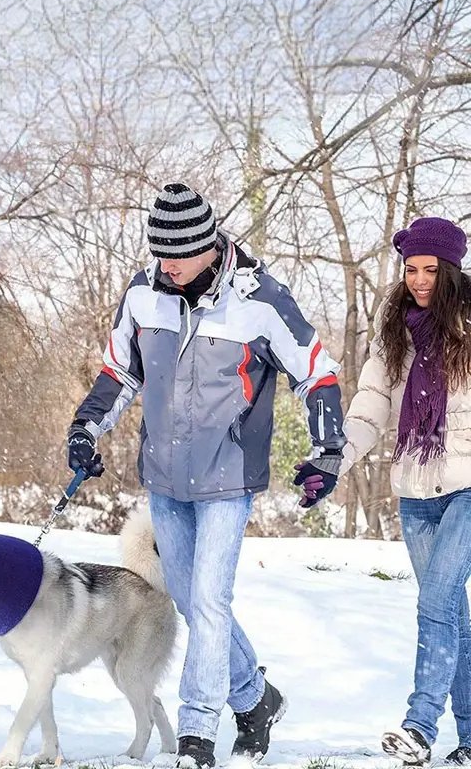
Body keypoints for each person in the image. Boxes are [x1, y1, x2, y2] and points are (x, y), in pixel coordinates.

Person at [66, 183, 346, 768]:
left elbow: (316, 372)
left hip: (228, 474)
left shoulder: (260, 300)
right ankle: (255, 698)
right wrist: (86, 430)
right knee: (194, 603)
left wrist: (327, 449)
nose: (167, 265)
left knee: (211, 602)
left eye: (179, 253)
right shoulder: (143, 294)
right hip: (165, 477)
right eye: (159, 253)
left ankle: (197, 734)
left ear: (210, 246)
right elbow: (121, 371)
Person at [338, 217, 471, 767]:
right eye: (412, 269)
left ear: (452, 271)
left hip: (468, 483)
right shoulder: (394, 331)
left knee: (436, 602)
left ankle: (419, 726)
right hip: (416, 488)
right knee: (453, 617)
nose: (419, 280)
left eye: (430, 270)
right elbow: (371, 406)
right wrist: (335, 459)